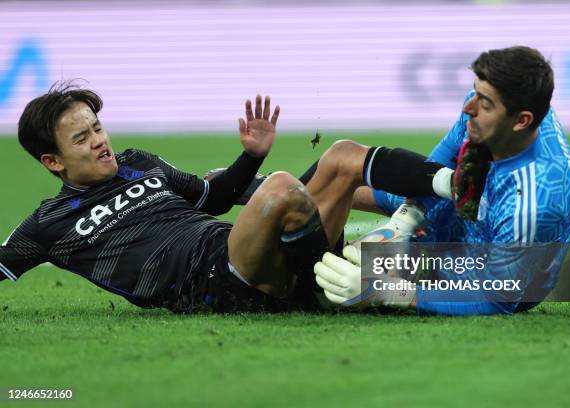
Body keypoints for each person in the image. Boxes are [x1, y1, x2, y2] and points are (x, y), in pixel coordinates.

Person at [0, 83, 387, 313]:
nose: (99, 141)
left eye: (97, 128)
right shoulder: (48, 223)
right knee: (284, 189)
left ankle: (441, 199)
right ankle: (336, 288)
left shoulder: (137, 162)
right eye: (82, 139)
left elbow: (213, 199)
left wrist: (251, 156)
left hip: (241, 252)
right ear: (53, 161)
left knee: (341, 157)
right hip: (213, 282)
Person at [313, 46, 570, 315]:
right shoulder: (505, 109)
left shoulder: (534, 205)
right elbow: (435, 167)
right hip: (466, 200)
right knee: (343, 164)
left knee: (342, 283)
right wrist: (404, 221)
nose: (468, 106)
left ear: (522, 122)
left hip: (481, 267)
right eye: (475, 92)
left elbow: (498, 298)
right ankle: (293, 213)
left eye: (484, 103)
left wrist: (386, 292)